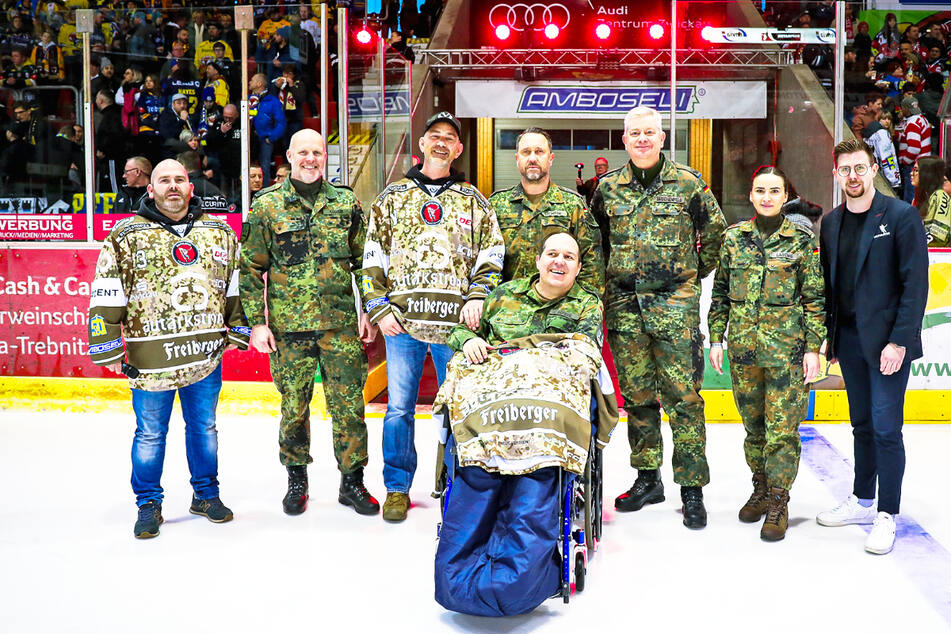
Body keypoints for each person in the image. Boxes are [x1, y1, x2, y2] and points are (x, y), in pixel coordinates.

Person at [87, 158, 250, 539]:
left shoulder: (219, 232)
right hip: (151, 358)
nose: (173, 186)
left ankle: (206, 495)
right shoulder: (126, 235)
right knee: (149, 434)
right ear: (151, 188)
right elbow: (107, 292)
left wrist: (239, 327)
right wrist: (108, 348)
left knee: (204, 428)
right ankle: (148, 503)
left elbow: (233, 286)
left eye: (180, 179)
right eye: (165, 180)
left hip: (204, 355)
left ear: (192, 188)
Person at [361, 111, 505, 522]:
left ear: (458, 149)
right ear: (421, 144)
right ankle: (396, 488)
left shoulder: (473, 201)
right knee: (399, 409)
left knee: (458, 407)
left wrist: (479, 296)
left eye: (449, 138)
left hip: (454, 329)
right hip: (401, 324)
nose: (441, 143)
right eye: (434, 136)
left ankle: (458, 485)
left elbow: (492, 256)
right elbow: (373, 257)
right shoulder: (392, 198)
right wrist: (378, 307)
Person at [591, 106, 727, 529]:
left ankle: (691, 489)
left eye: (650, 132)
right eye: (635, 133)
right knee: (638, 398)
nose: (643, 139)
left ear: (662, 137)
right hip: (625, 307)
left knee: (684, 399)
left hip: (675, 307)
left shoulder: (688, 184)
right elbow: (595, 245)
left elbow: (718, 234)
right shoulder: (608, 188)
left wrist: (690, 275)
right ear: (625, 139)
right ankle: (647, 479)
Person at [240, 129, 379, 518]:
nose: (311, 159)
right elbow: (250, 268)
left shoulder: (345, 203)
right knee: (294, 408)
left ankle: (352, 481)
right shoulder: (267, 206)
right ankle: (296, 480)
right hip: (288, 330)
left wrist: (369, 309)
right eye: (304, 152)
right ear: (289, 155)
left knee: (349, 406)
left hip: (340, 327)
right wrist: (256, 324)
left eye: (317, 152)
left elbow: (365, 261)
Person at [816, 139, 929, 555]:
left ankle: (887, 513)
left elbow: (915, 286)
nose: (853, 176)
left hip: (887, 345)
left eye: (860, 168)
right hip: (848, 341)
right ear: (836, 174)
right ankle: (863, 500)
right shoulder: (830, 222)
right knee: (861, 425)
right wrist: (827, 338)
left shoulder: (901, 215)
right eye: (845, 169)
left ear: (874, 169)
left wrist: (899, 341)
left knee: (885, 429)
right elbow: (832, 286)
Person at [708, 166, 825, 541]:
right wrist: (715, 338)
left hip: (786, 355)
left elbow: (815, 299)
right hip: (744, 352)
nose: (767, 197)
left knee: (782, 433)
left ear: (784, 194)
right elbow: (721, 294)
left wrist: (812, 347)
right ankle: (760, 488)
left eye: (774, 191)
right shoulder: (734, 239)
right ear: (751, 194)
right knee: (753, 429)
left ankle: (778, 501)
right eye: (761, 190)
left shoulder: (801, 241)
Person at [448, 232, 603, 359]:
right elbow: (460, 330)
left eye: (568, 257)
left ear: (578, 268)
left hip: (554, 388)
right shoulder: (504, 294)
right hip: (497, 386)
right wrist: (469, 340)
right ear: (538, 261)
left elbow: (586, 353)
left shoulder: (587, 305)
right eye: (552, 254)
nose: (559, 261)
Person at [488, 126, 604, 293]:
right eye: (526, 152)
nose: (533, 158)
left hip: (558, 312)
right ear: (517, 158)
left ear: (551, 158)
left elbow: (592, 264)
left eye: (539, 152)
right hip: (508, 311)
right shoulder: (497, 204)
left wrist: (579, 309)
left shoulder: (572, 205)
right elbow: (486, 260)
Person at [249, 72, 285, 186]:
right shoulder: (247, 99)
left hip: (265, 140)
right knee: (247, 167)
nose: (249, 82)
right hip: (249, 139)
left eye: (252, 80)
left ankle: (264, 194)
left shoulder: (272, 101)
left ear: (259, 83)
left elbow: (281, 123)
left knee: (264, 168)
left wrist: (271, 138)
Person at [897, 95, 931, 204]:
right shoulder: (921, 119)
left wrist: (904, 161)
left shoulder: (912, 123)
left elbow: (914, 149)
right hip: (923, 163)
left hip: (914, 165)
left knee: (911, 197)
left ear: (905, 109)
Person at [912, 155, 951, 246]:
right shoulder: (922, 197)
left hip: (938, 257)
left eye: (916, 170)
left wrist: (912, 247)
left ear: (927, 174)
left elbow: (939, 237)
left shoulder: (940, 196)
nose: (912, 173)